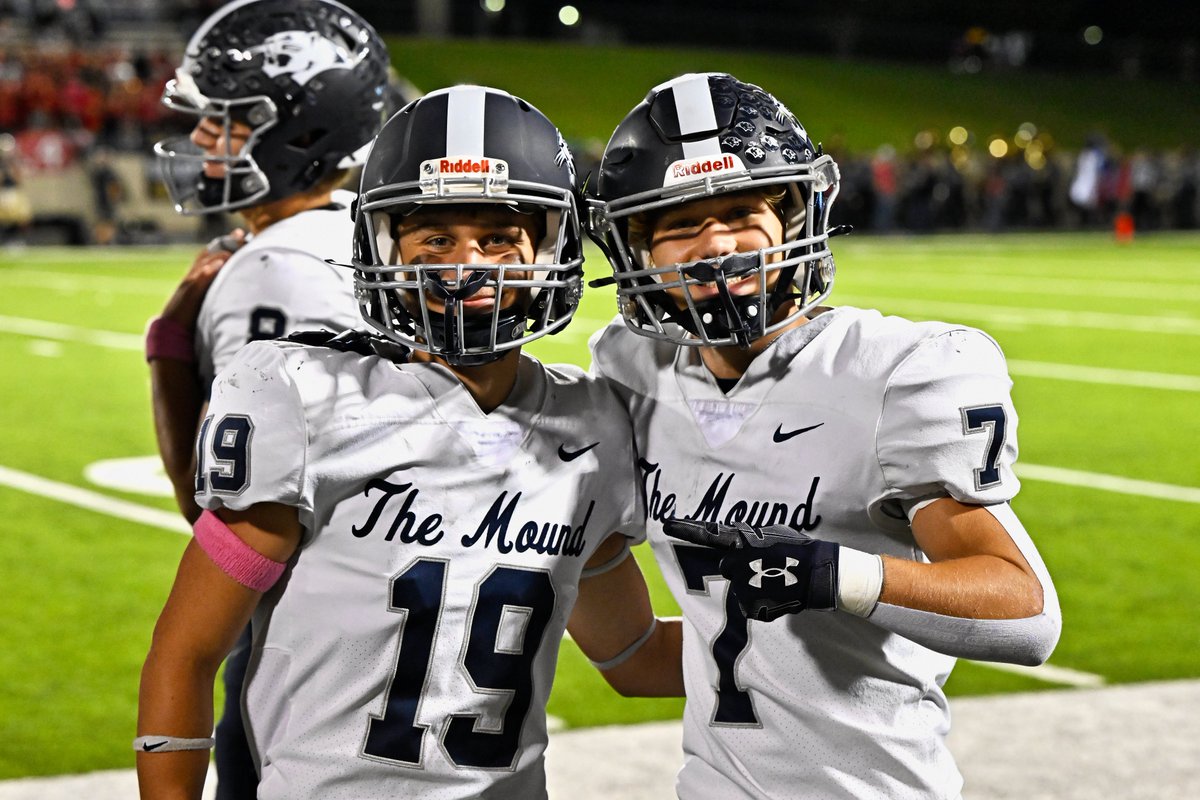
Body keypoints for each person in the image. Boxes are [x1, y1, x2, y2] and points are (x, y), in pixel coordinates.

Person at [137, 84, 684, 799]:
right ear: (383, 248)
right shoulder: (305, 397)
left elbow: (635, 656)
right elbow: (187, 652)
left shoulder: (590, 423)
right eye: (436, 238)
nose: (467, 264)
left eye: (497, 236)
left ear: (551, 247)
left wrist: (835, 618)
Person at [585, 72, 1061, 799]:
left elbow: (1026, 614)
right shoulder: (634, 371)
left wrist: (845, 576)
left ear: (795, 215)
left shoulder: (892, 373)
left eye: (741, 210)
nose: (715, 245)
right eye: (680, 224)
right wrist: (576, 548)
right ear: (635, 249)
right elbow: (638, 664)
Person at [144, 1, 391, 796]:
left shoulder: (270, 269)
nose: (203, 142)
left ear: (304, 132)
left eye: (227, 121)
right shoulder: (376, 237)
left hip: (310, 646)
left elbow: (218, 501)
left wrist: (168, 346)